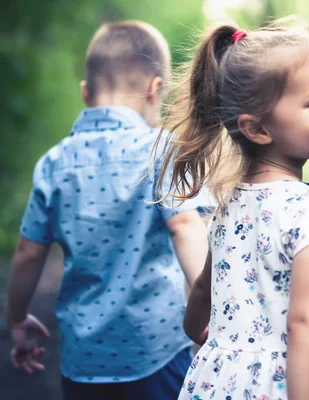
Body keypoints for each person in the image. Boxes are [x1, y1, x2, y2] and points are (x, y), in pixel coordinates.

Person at [7, 20, 212, 399]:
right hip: (156, 351)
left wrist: (17, 319)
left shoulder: (54, 163)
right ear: (155, 89)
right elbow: (185, 225)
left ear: (86, 93)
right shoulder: (160, 150)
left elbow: (27, 253)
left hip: (84, 360)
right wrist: (214, 305)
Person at [156, 21, 309, 400]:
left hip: (219, 382)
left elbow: (203, 288)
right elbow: (304, 322)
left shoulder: (228, 204)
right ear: (258, 129)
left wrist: (208, 336)